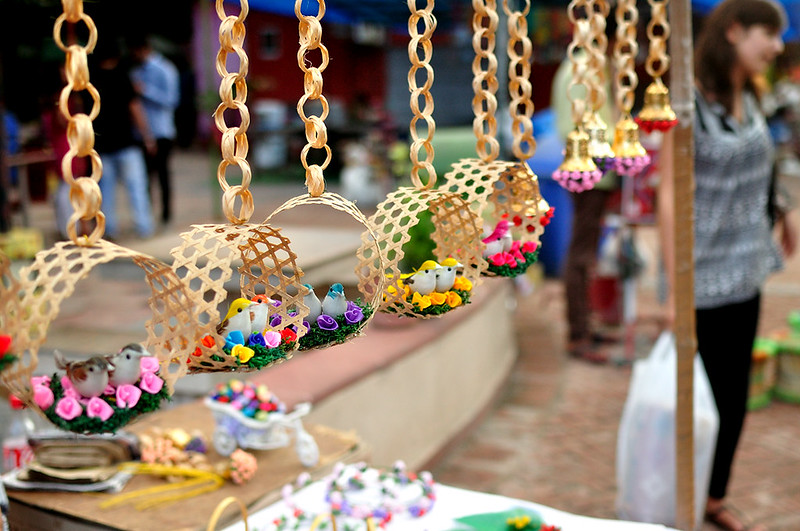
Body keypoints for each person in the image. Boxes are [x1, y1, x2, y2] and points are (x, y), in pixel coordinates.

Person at [658, 1, 797, 530]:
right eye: (770, 33)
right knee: (696, 402)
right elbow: (668, 195)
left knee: (735, 398)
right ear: (734, 30)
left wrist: (783, 211)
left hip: (746, 269)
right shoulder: (685, 100)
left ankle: (712, 498)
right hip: (700, 278)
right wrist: (673, 291)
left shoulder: (752, 94)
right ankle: (679, 502)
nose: (777, 46)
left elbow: (762, 160)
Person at [552, 21, 619, 363]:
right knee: (580, 255)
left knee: (585, 254)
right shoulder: (582, 72)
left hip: (591, 173)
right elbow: (573, 130)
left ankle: (584, 327)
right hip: (590, 174)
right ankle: (578, 334)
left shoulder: (580, 69)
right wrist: (616, 162)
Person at [90, 38, 155, 240]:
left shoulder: (90, 81)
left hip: (100, 144)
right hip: (126, 142)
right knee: (136, 188)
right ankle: (144, 226)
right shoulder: (123, 77)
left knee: (105, 191)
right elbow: (135, 108)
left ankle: (109, 229)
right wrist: (147, 136)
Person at [129, 35, 180, 226]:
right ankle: (148, 215)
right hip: (142, 132)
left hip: (161, 131)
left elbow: (171, 100)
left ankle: (166, 214)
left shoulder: (164, 70)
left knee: (163, 175)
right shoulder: (136, 71)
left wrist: (145, 91)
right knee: (144, 177)